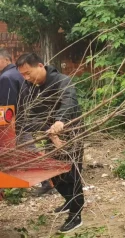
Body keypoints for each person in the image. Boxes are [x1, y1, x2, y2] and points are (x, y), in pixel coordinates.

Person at [16, 53, 84, 233]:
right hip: (48, 134)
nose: (26, 77)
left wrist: (60, 121)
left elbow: (69, 101)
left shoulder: (62, 80)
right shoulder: (32, 87)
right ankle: (69, 200)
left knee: (72, 173)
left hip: (69, 132)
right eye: (23, 75)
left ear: (40, 65)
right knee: (53, 172)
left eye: (28, 73)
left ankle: (76, 215)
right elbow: (30, 113)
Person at [0, 49, 55, 196]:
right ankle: (48, 181)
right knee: (29, 152)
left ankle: (49, 181)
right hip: (25, 120)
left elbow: (7, 106)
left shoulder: (6, 77)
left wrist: (8, 127)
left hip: (14, 124)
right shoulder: (19, 74)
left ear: (6, 60)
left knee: (18, 154)